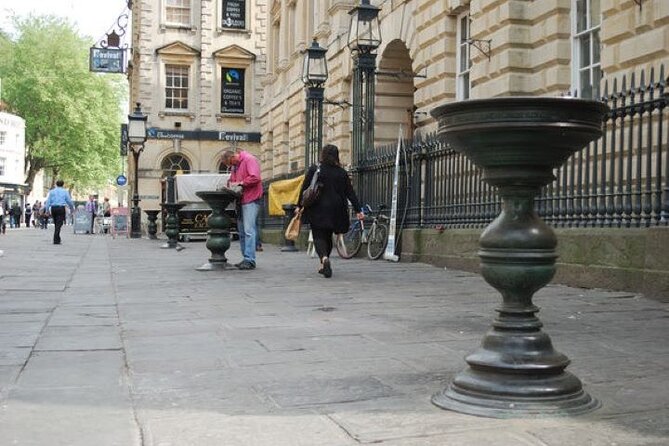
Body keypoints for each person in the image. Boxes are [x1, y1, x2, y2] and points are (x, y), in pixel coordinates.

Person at [297, 144, 364, 278]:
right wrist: (358, 209)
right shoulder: (341, 172)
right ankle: (324, 261)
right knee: (327, 235)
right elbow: (350, 193)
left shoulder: (316, 169)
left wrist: (299, 205)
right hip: (337, 208)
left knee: (318, 235)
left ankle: (324, 258)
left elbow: (305, 188)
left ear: (323, 154)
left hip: (318, 207)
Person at [222, 149, 262, 270]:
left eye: (229, 163)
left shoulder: (249, 159)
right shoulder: (235, 166)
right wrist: (230, 184)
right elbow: (233, 180)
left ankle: (250, 260)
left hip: (251, 199)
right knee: (242, 231)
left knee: (249, 230)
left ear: (232, 157)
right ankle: (246, 258)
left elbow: (255, 177)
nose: (230, 166)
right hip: (241, 200)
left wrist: (240, 183)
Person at [43, 180, 75, 244]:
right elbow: (69, 201)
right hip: (61, 208)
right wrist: (72, 209)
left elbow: (48, 201)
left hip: (53, 208)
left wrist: (47, 210)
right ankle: (55, 239)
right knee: (59, 224)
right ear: (63, 185)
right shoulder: (65, 192)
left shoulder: (52, 191)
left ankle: (57, 238)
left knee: (56, 223)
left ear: (56, 184)